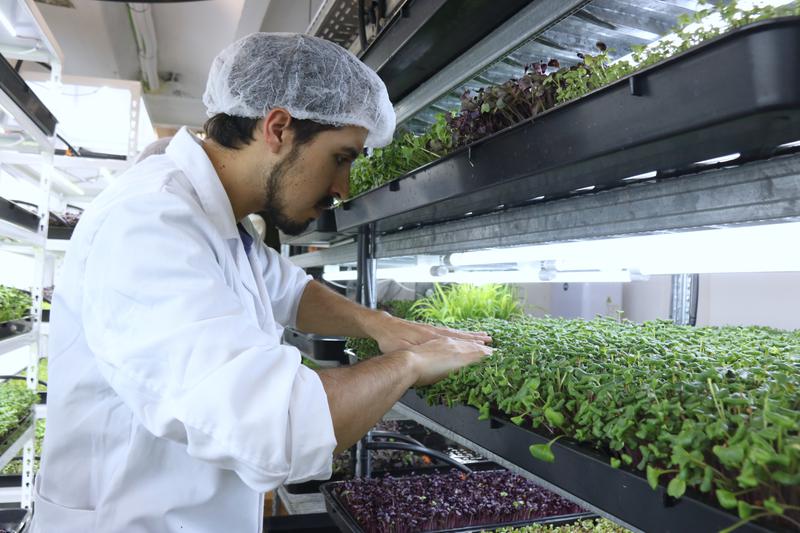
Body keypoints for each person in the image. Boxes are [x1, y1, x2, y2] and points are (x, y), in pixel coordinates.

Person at [31, 33, 492, 532]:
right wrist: (409, 363)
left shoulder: (221, 220)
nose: (343, 188)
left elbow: (287, 290)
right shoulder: (150, 225)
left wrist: (378, 324)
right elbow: (281, 428)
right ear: (278, 128)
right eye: (342, 157)